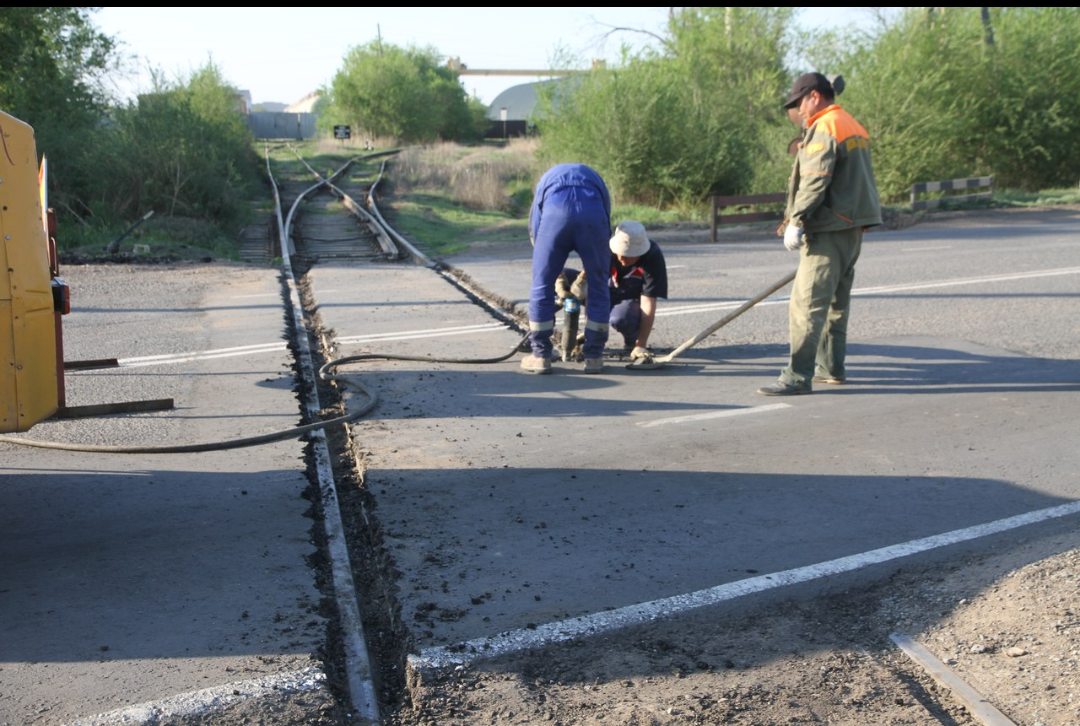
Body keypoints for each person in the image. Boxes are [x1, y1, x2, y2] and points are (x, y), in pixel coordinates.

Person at [757, 72, 882, 396]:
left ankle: (797, 377)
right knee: (836, 302)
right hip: (852, 227)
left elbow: (815, 180)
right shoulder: (850, 123)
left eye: (799, 103)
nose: (799, 111)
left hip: (828, 228)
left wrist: (797, 220)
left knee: (807, 305)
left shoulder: (824, 128)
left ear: (814, 96)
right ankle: (831, 368)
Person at [521, 163, 612, 374]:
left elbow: (535, 227)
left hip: (555, 215)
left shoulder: (546, 180)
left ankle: (541, 355)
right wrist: (591, 271)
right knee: (599, 286)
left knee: (541, 285)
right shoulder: (595, 178)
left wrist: (552, 270)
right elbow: (605, 220)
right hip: (592, 215)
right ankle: (594, 357)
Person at [556, 220, 668, 366]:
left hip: (627, 299)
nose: (621, 259)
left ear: (640, 251)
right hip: (603, 291)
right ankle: (541, 335)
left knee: (622, 319)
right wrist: (591, 330)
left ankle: (632, 338)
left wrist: (641, 344)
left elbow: (648, 303)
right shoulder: (606, 249)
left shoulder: (652, 257)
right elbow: (592, 288)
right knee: (561, 279)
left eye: (628, 255)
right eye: (619, 253)